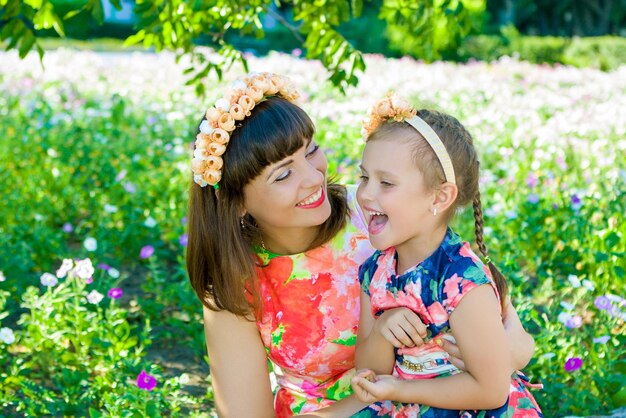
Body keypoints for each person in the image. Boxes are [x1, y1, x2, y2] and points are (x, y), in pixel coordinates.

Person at [186, 72, 536, 417]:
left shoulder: (375, 210)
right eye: (283, 174)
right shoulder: (237, 281)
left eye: (311, 152)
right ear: (238, 203)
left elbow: (513, 339)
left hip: (440, 396)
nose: (313, 177)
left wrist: (494, 357)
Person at [350, 94, 543, 417]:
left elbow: (490, 389)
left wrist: (401, 389)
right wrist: (384, 328)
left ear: (439, 197)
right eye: (364, 177)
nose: (366, 194)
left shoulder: (461, 278)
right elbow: (368, 370)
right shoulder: (376, 271)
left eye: (386, 183)